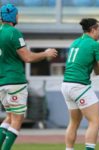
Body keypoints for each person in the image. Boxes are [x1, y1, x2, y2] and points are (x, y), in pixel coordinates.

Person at [0, 4, 57, 150]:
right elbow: (28, 57)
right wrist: (46, 53)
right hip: (15, 81)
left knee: (10, 117)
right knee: (18, 119)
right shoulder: (14, 33)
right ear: (14, 16)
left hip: (2, 82)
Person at [61, 18, 99, 150]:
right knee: (95, 121)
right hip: (79, 85)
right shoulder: (95, 45)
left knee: (74, 122)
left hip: (66, 85)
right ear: (92, 30)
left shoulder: (75, 42)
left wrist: (96, 64)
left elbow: (96, 70)